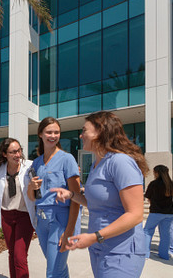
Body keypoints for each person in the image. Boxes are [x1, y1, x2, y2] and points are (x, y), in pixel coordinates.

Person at [51, 111, 149, 278]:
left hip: (121, 251)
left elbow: (135, 215)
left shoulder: (120, 162)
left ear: (100, 132)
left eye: (84, 131)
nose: (81, 136)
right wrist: (71, 195)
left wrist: (95, 237)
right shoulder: (98, 163)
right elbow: (97, 204)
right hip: (100, 249)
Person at [27, 117, 80, 278]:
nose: (53, 135)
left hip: (61, 220)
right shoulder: (36, 163)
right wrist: (31, 187)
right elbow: (32, 197)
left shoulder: (67, 159)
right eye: (49, 132)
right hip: (42, 220)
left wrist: (69, 231)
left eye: (56, 132)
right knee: (59, 269)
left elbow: (76, 197)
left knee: (53, 272)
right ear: (40, 134)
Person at [0, 138, 37, 278]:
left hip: (24, 216)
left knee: (20, 256)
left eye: (19, 150)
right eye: (13, 152)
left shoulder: (29, 166)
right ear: (5, 154)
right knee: (11, 253)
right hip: (6, 216)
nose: (18, 155)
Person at [143, 165, 173, 260]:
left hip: (156, 211)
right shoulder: (171, 184)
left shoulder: (153, 184)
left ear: (157, 172)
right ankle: (164, 255)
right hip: (169, 212)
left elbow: (148, 197)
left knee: (147, 231)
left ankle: (145, 254)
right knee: (165, 234)